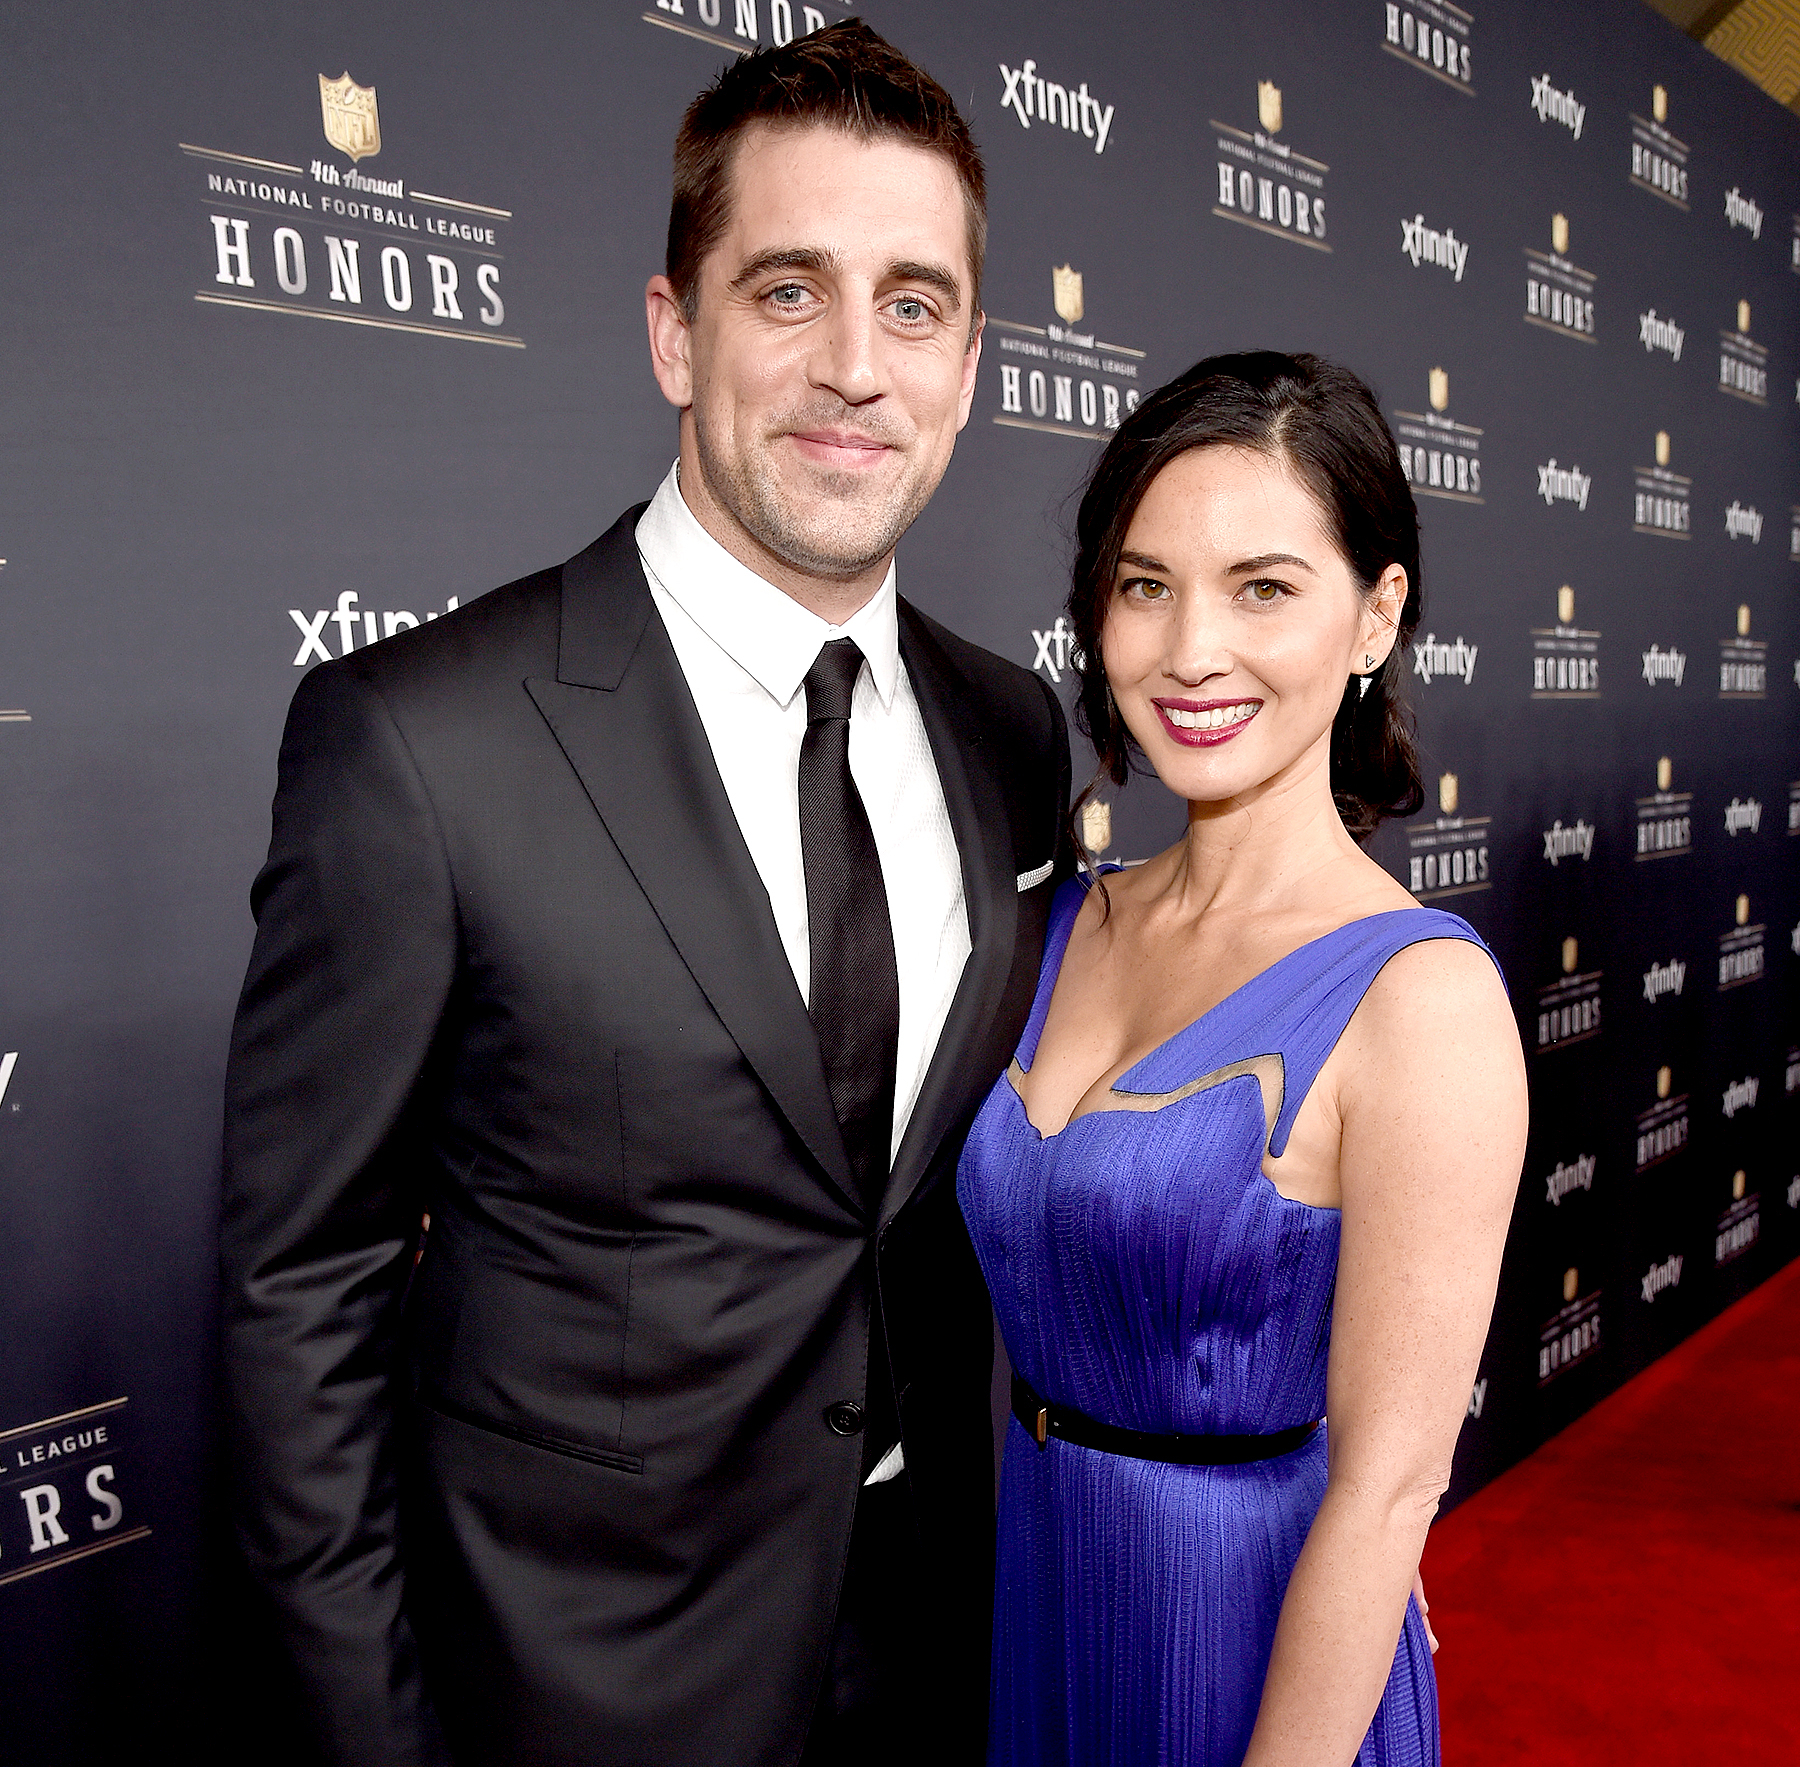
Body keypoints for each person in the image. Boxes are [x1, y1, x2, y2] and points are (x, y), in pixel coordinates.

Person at [219, 24, 1068, 1767]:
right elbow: (299, 1294)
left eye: (914, 305)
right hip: (572, 1685)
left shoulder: (1009, 727)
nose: (855, 365)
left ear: (972, 365)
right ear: (675, 332)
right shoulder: (417, 743)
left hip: (934, 1651)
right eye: (786, 291)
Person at [956, 352, 1527, 1766]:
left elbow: (1389, 1491)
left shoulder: (1422, 1002)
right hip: (1035, 1578)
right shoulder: (1062, 919)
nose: (1190, 649)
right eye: (1145, 584)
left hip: (1246, 1645)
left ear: (1375, 614)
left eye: (1263, 587)